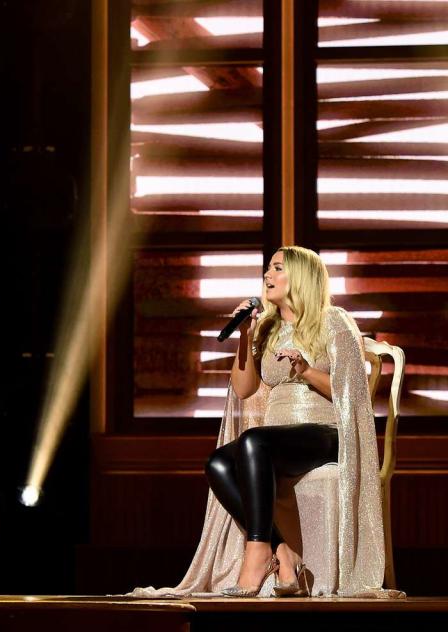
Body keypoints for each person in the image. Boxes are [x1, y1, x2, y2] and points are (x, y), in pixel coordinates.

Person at [130, 246, 393, 598]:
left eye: (277, 268)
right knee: (219, 462)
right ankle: (282, 552)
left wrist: (306, 370)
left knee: (253, 442)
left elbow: (351, 394)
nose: (267, 275)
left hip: (325, 432)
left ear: (300, 277)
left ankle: (257, 555)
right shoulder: (267, 327)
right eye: (268, 267)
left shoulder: (334, 321)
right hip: (277, 437)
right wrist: (245, 335)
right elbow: (243, 388)